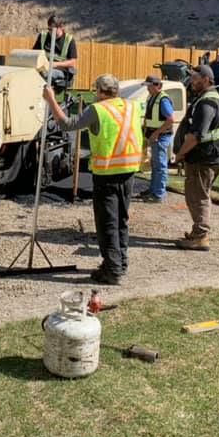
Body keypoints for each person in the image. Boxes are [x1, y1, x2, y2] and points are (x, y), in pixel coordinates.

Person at [43, 74, 143, 284]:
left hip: (107, 173)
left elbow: (67, 124)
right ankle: (120, 262)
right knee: (121, 219)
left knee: (107, 222)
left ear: (99, 91)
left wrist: (51, 99)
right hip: (129, 169)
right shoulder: (132, 106)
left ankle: (112, 269)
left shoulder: (98, 110)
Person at [172, 64, 219, 251]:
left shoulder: (207, 104)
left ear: (206, 79)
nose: (191, 81)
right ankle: (198, 232)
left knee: (198, 197)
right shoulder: (206, 99)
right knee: (197, 195)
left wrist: (180, 153)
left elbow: (196, 135)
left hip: (203, 159)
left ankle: (200, 235)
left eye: (195, 77)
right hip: (206, 158)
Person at [137, 75, 175, 203]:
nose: (147, 88)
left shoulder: (163, 100)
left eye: (149, 86)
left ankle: (159, 194)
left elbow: (170, 120)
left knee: (160, 166)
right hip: (155, 136)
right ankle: (153, 190)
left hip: (161, 137)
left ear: (157, 85)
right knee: (155, 165)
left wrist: (156, 134)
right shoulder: (153, 97)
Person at [34, 15, 77, 90]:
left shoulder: (69, 39)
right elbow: (35, 53)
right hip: (43, 68)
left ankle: (46, 97)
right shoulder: (43, 36)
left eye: (52, 29)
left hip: (61, 71)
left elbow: (72, 62)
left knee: (44, 74)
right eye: (49, 29)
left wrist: (54, 64)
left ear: (61, 27)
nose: (50, 31)